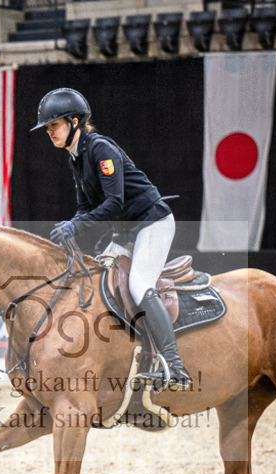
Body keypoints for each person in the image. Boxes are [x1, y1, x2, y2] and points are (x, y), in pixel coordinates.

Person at [31, 87, 189, 389]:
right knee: (98, 277)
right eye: (47, 128)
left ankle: (175, 365)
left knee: (139, 284)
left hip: (151, 223)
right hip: (126, 230)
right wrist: (71, 225)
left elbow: (114, 203)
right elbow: (86, 207)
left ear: (74, 121)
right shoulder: (75, 158)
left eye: (54, 125)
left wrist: (76, 227)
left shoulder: (100, 149)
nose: (49, 132)